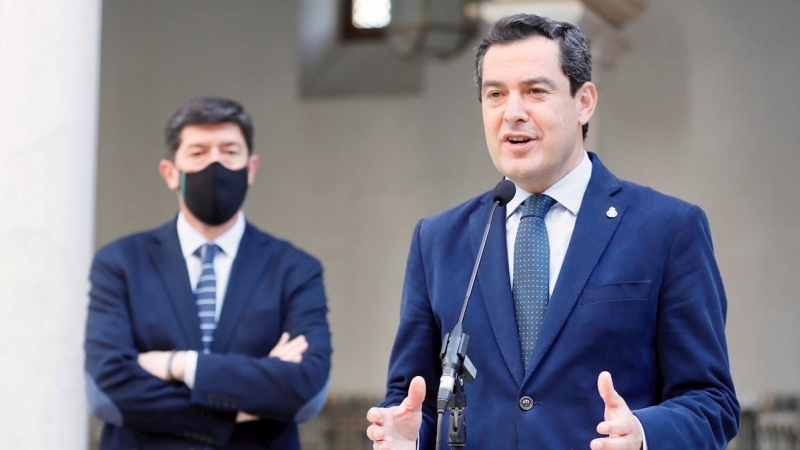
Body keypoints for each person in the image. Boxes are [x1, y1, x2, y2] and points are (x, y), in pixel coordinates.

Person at [366, 13, 739, 450]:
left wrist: (643, 435)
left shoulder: (668, 229)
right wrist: (406, 437)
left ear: (584, 101)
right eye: (495, 94)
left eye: (535, 91)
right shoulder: (438, 241)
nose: (513, 113)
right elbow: (415, 403)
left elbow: (712, 402)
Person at [84, 96, 331, 449]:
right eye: (198, 153)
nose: (215, 163)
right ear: (171, 173)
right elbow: (107, 388)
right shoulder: (120, 263)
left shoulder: (295, 269)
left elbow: (305, 387)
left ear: (251, 168)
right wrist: (244, 399)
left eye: (230, 152)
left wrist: (180, 365)